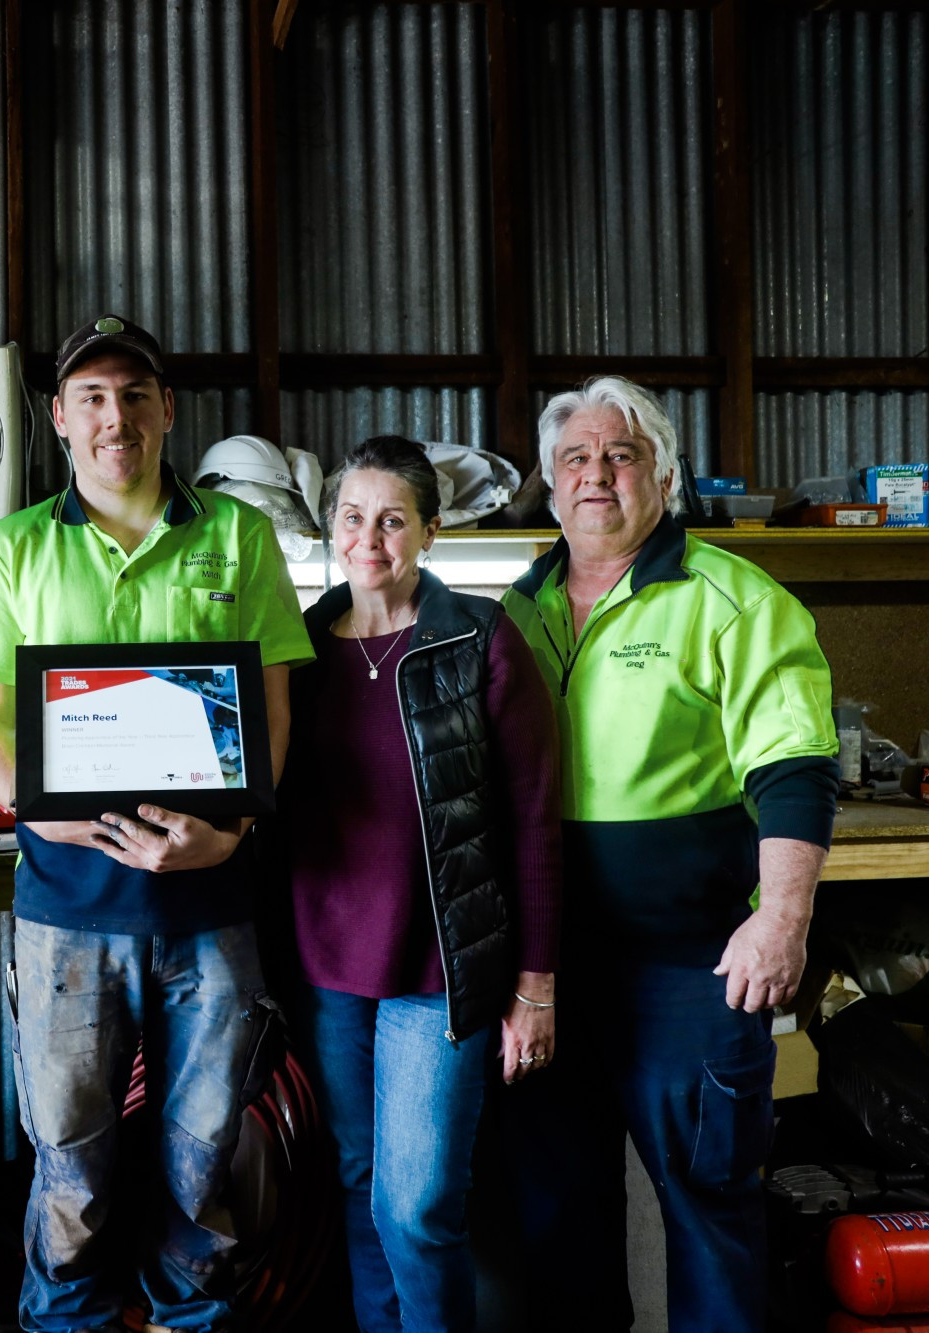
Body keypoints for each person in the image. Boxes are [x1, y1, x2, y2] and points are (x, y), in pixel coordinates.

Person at [0, 314, 314, 1333]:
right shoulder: (10, 547)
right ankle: (62, 1323)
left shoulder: (237, 537)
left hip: (212, 905)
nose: (116, 416)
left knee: (203, 1162)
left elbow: (271, 716)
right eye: (93, 397)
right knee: (72, 1165)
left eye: (135, 394)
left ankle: (189, 1323)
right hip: (67, 908)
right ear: (61, 418)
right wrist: (36, 811)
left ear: (165, 410)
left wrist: (233, 834)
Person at [499, 377, 838, 1331]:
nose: (596, 474)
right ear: (549, 481)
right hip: (546, 976)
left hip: (691, 975)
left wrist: (782, 919)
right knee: (558, 1223)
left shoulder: (733, 601)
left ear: (664, 475)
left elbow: (795, 768)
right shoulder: (515, 614)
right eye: (576, 457)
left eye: (622, 455)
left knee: (708, 1212)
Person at [277, 435, 561, 1333]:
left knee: (418, 1206)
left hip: (440, 970)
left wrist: (536, 984)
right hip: (327, 969)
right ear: (331, 528)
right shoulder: (299, 648)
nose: (370, 538)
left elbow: (534, 818)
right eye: (353, 517)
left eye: (393, 519)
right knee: (360, 1186)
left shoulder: (478, 638)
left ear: (430, 531)